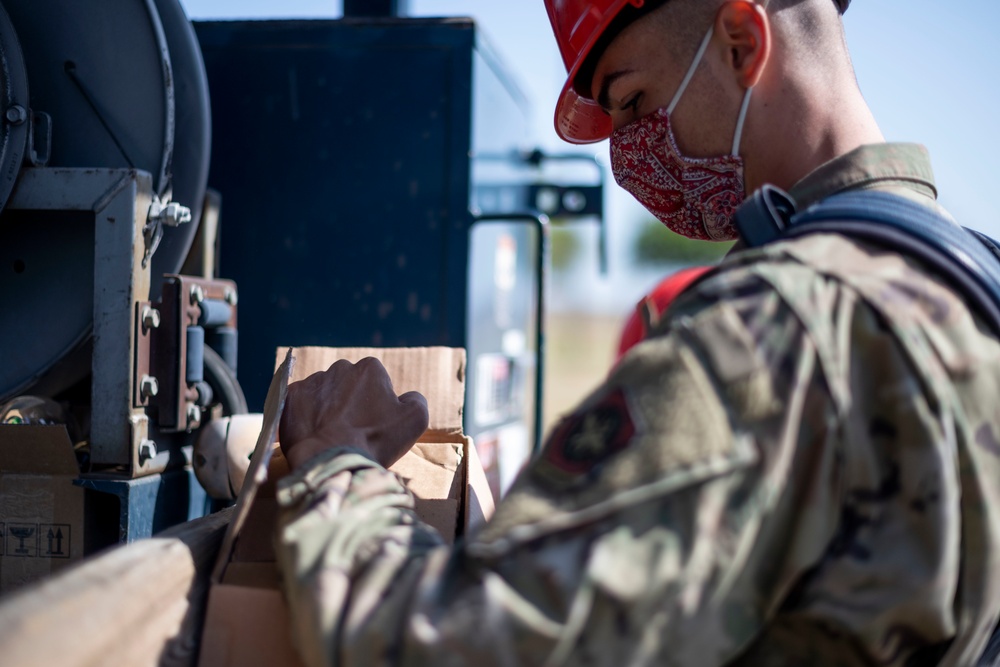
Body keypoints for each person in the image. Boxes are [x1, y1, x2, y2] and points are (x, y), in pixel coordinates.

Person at [275, 0, 1000, 664]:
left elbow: (447, 644)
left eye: (635, 102)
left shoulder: (764, 331)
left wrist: (338, 465)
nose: (628, 160)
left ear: (742, 41)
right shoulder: (973, 285)